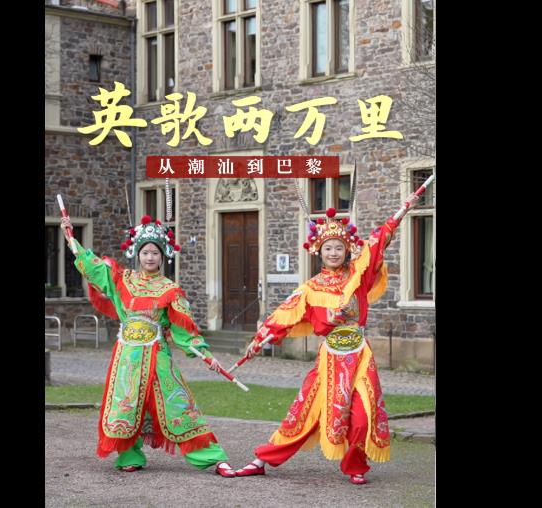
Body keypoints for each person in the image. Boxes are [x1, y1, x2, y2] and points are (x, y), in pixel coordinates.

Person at [234, 196, 419, 485]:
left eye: (339, 248)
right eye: (328, 248)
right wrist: (258, 340)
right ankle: (261, 460)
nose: (334, 253)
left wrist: (404, 210)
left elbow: (378, 242)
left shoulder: (358, 274)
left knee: (363, 416)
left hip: (360, 356)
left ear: (347, 250)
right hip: (330, 359)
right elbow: (282, 317)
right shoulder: (310, 289)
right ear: (319, 251)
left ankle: (356, 466)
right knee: (304, 415)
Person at [62, 213, 236, 477]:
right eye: (145, 252)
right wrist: (71, 239)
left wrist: (205, 355)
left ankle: (213, 456)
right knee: (126, 404)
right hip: (127, 357)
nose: (150, 257)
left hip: (157, 355)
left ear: (163, 256)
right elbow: (95, 268)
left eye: (155, 253)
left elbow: (184, 329)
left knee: (178, 403)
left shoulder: (170, 290)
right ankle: (129, 455)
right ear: (138, 254)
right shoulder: (123, 279)